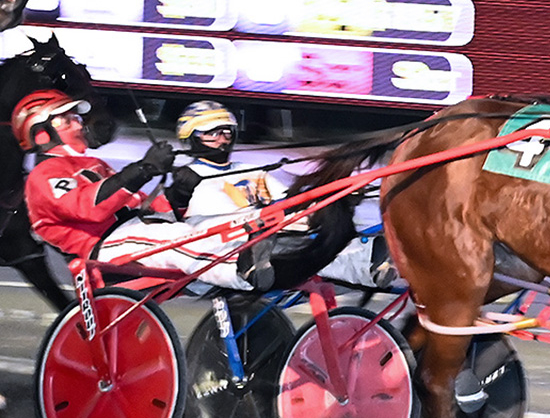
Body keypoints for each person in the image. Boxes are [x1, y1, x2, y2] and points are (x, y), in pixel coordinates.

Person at [17, 89, 273, 291]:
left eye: (77, 116)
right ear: (41, 133)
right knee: (175, 239)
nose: (79, 123)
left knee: (218, 223)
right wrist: (144, 169)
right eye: (67, 118)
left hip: (132, 231)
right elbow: (88, 208)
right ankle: (238, 272)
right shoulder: (44, 174)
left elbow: (145, 210)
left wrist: (178, 195)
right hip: (103, 248)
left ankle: (274, 244)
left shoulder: (94, 165)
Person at [167, 100, 396, 288]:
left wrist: (335, 197)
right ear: (191, 137)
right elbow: (170, 217)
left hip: (267, 234)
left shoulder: (252, 170)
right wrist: (178, 193)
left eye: (226, 131)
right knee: (291, 237)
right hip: (219, 242)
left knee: (313, 244)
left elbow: (291, 203)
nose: (222, 139)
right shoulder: (187, 175)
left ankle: (368, 261)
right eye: (212, 133)